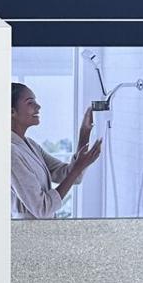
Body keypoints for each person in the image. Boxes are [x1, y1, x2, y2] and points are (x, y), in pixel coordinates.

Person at [10, 83, 102, 219]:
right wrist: (78, 167)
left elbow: (71, 176)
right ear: (12, 111)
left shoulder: (31, 145)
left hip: (44, 233)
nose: (38, 106)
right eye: (30, 102)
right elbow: (42, 209)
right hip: (27, 235)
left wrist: (85, 132)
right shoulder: (11, 152)